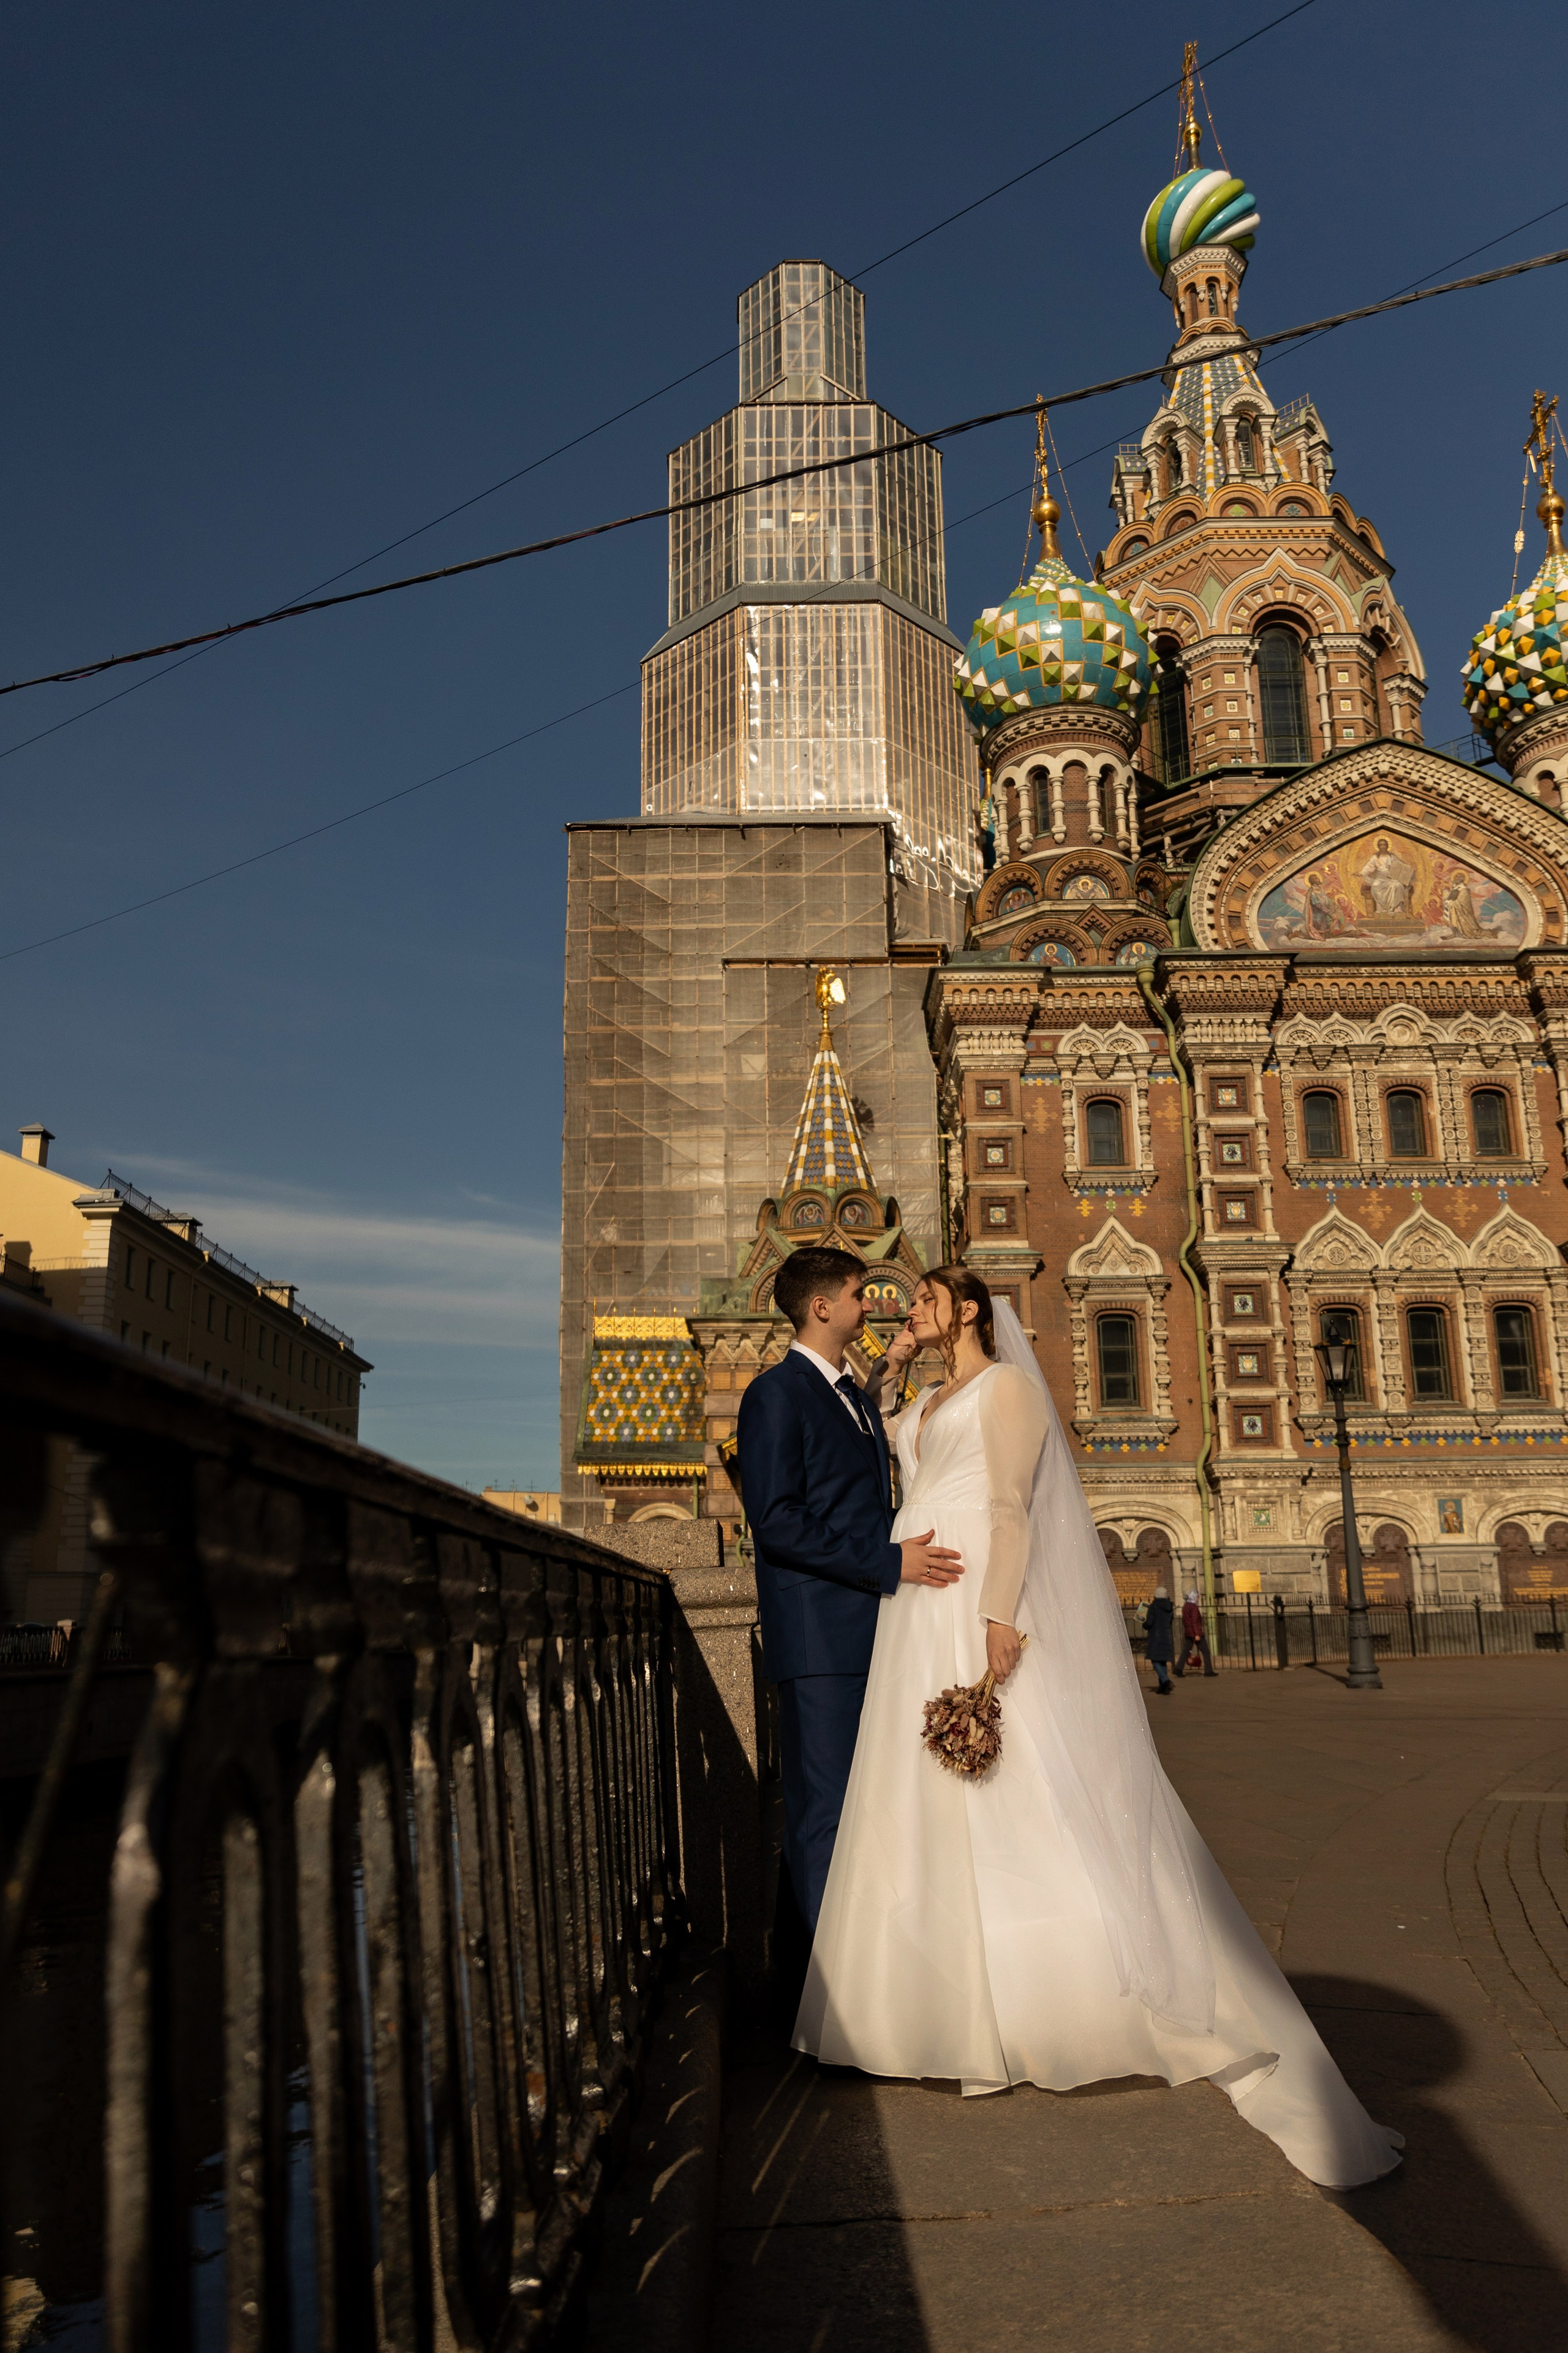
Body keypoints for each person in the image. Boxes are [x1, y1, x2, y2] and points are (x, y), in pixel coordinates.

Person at [793, 1266, 1403, 2191]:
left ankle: (1050, 1993)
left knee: (1012, 1781)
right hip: (913, 1601)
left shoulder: (1004, 1391)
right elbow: (885, 1431)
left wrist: (1001, 1615)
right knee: (915, 1792)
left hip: (966, 1591)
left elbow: (1007, 1507)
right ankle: (919, 2001)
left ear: (967, 1309)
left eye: (922, 1299)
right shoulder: (926, 1391)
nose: (903, 1310)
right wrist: (899, 1360)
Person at [735, 1247, 964, 1935]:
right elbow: (777, 1523)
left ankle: (801, 1994)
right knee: (824, 1816)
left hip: (868, 1631)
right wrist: (888, 1562)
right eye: (860, 1294)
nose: (872, 1306)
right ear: (822, 1306)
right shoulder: (774, 1393)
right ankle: (822, 2012)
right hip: (821, 1640)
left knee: (858, 1812)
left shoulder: (849, 1396)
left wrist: (888, 1374)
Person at [1142, 1585, 1175, 1694]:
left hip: (1156, 1637)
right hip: (1166, 1635)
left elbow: (1149, 1623)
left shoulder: (1154, 1607)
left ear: (1156, 1595)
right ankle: (1163, 1688)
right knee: (1163, 1662)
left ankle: (1166, 1682)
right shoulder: (1170, 1607)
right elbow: (1169, 1621)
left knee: (1155, 1661)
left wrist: (1144, 1623)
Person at [1180, 1586, 1218, 1677]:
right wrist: (1197, 1634)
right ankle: (1208, 1671)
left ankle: (1178, 1668)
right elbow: (1194, 1622)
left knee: (1186, 1651)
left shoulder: (1186, 1606)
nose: (1198, 1598)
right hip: (1195, 1633)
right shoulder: (1193, 1607)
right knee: (1206, 1651)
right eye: (1197, 1597)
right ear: (1194, 1597)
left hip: (1189, 1632)